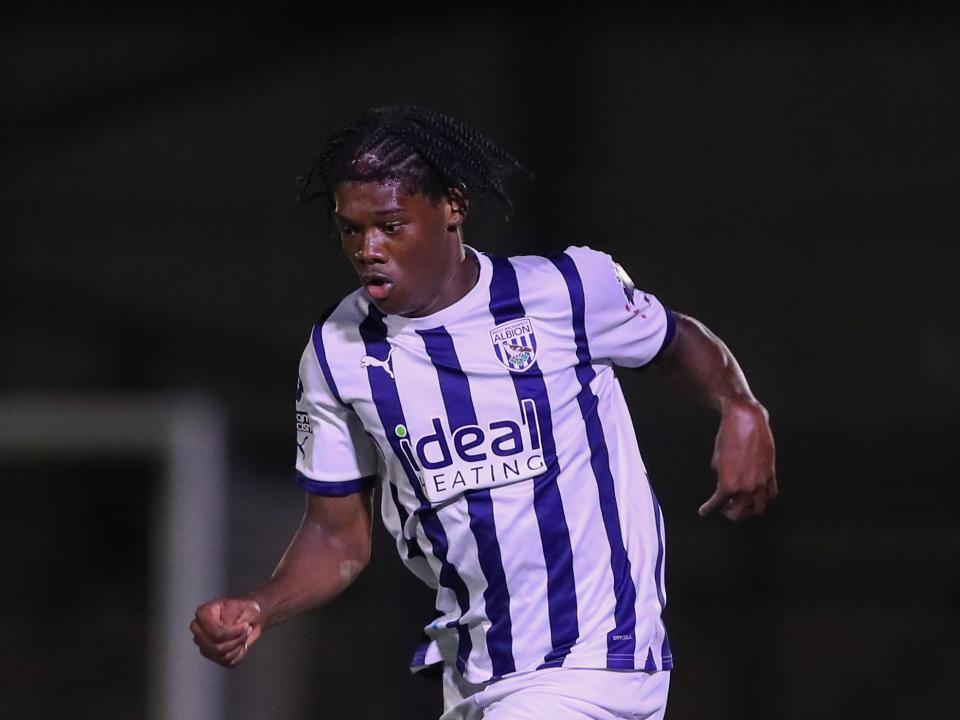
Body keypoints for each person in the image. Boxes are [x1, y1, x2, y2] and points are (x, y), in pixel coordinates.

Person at [190, 106, 777, 719]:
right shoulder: (338, 354)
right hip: (475, 678)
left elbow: (675, 340)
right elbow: (335, 534)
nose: (368, 249)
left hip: (597, 662)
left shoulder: (564, 292)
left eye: (391, 226)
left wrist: (739, 406)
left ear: (452, 207)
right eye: (350, 230)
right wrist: (260, 606)